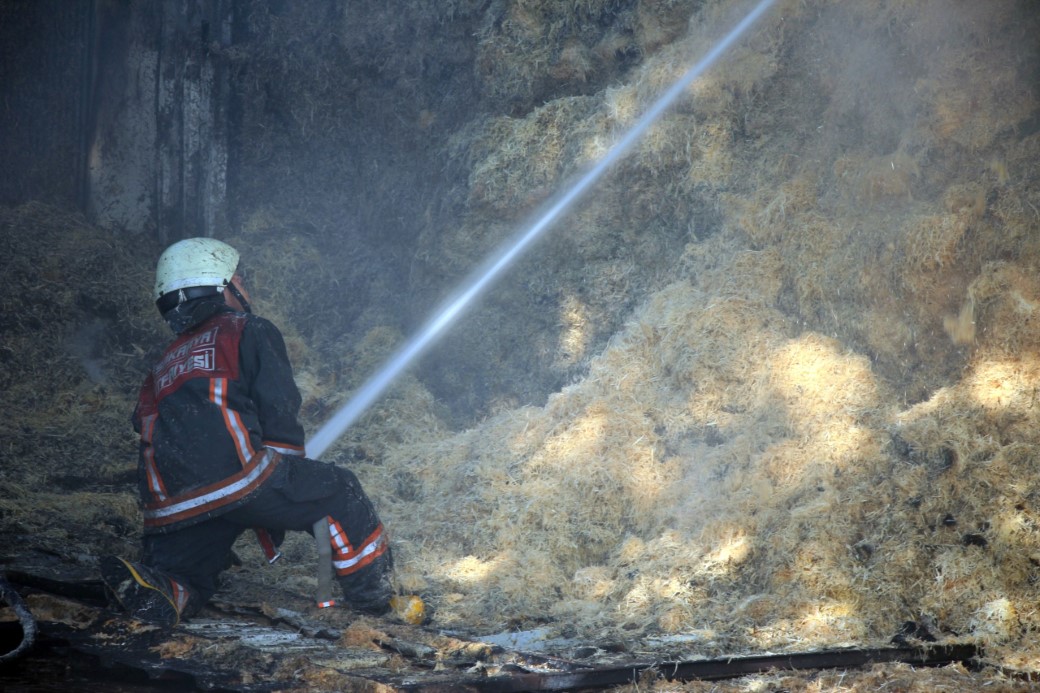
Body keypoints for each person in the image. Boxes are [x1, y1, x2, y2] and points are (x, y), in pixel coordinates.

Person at [101, 237, 394, 627]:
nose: (247, 288)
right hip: (239, 478)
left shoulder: (161, 364)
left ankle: (166, 585)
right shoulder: (246, 329)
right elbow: (278, 403)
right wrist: (287, 475)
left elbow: (144, 426)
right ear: (222, 287)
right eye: (240, 279)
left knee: (189, 576)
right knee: (338, 489)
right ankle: (377, 601)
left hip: (171, 504)